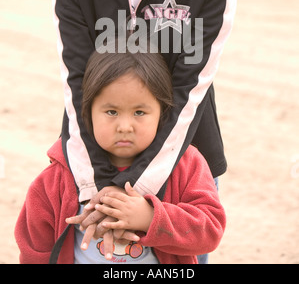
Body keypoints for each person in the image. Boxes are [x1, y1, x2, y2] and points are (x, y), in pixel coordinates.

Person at [52, 0, 237, 261]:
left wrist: (138, 192)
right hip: (93, 166)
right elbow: (76, 82)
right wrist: (99, 187)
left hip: (181, 170)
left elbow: (191, 89)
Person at [15, 49, 226, 264]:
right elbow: (34, 249)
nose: (125, 127)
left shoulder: (185, 164)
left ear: (163, 114)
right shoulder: (58, 176)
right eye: (112, 112)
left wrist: (150, 217)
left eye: (139, 112)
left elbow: (210, 230)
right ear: (86, 113)